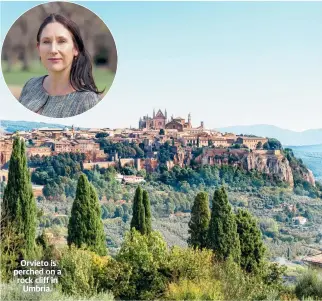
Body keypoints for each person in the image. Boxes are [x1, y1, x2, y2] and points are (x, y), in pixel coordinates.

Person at [19, 13, 103, 118]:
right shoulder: (31, 85)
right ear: (39, 48)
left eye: (62, 41)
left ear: (75, 49)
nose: (53, 50)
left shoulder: (88, 101)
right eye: (46, 42)